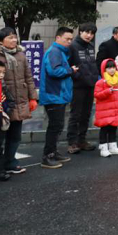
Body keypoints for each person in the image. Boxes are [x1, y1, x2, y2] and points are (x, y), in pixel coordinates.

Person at [0, 27, 37, 175]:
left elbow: (28, 77)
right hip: (3, 102)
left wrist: (33, 97)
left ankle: (10, 162)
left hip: (19, 101)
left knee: (15, 135)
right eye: (10, 37)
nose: (14, 40)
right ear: (0, 41)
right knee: (0, 136)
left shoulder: (21, 55)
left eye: (15, 37)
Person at [39, 27, 78, 169]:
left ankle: (53, 152)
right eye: (67, 39)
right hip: (53, 95)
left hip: (58, 95)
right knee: (55, 126)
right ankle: (47, 156)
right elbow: (54, 71)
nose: (69, 42)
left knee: (57, 126)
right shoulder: (55, 52)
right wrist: (70, 70)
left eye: (70, 39)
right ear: (58, 38)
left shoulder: (60, 52)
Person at [67, 23, 100, 155]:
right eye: (87, 32)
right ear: (80, 32)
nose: (89, 35)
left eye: (92, 33)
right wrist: (78, 76)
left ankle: (82, 140)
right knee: (75, 115)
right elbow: (69, 66)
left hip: (90, 85)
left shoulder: (91, 46)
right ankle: (72, 142)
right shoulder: (72, 46)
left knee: (86, 114)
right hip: (78, 86)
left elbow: (93, 64)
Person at [94, 59, 118, 158]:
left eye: (113, 67)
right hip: (104, 111)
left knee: (113, 128)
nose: (112, 70)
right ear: (104, 69)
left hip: (116, 110)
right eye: (109, 68)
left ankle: (113, 146)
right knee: (104, 128)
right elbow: (97, 95)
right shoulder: (100, 82)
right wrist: (107, 91)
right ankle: (103, 147)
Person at [0, 61, 15, 181]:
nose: (1, 75)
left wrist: (7, 108)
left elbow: (6, 101)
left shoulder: (1, 85)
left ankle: (0, 171)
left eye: (3, 72)